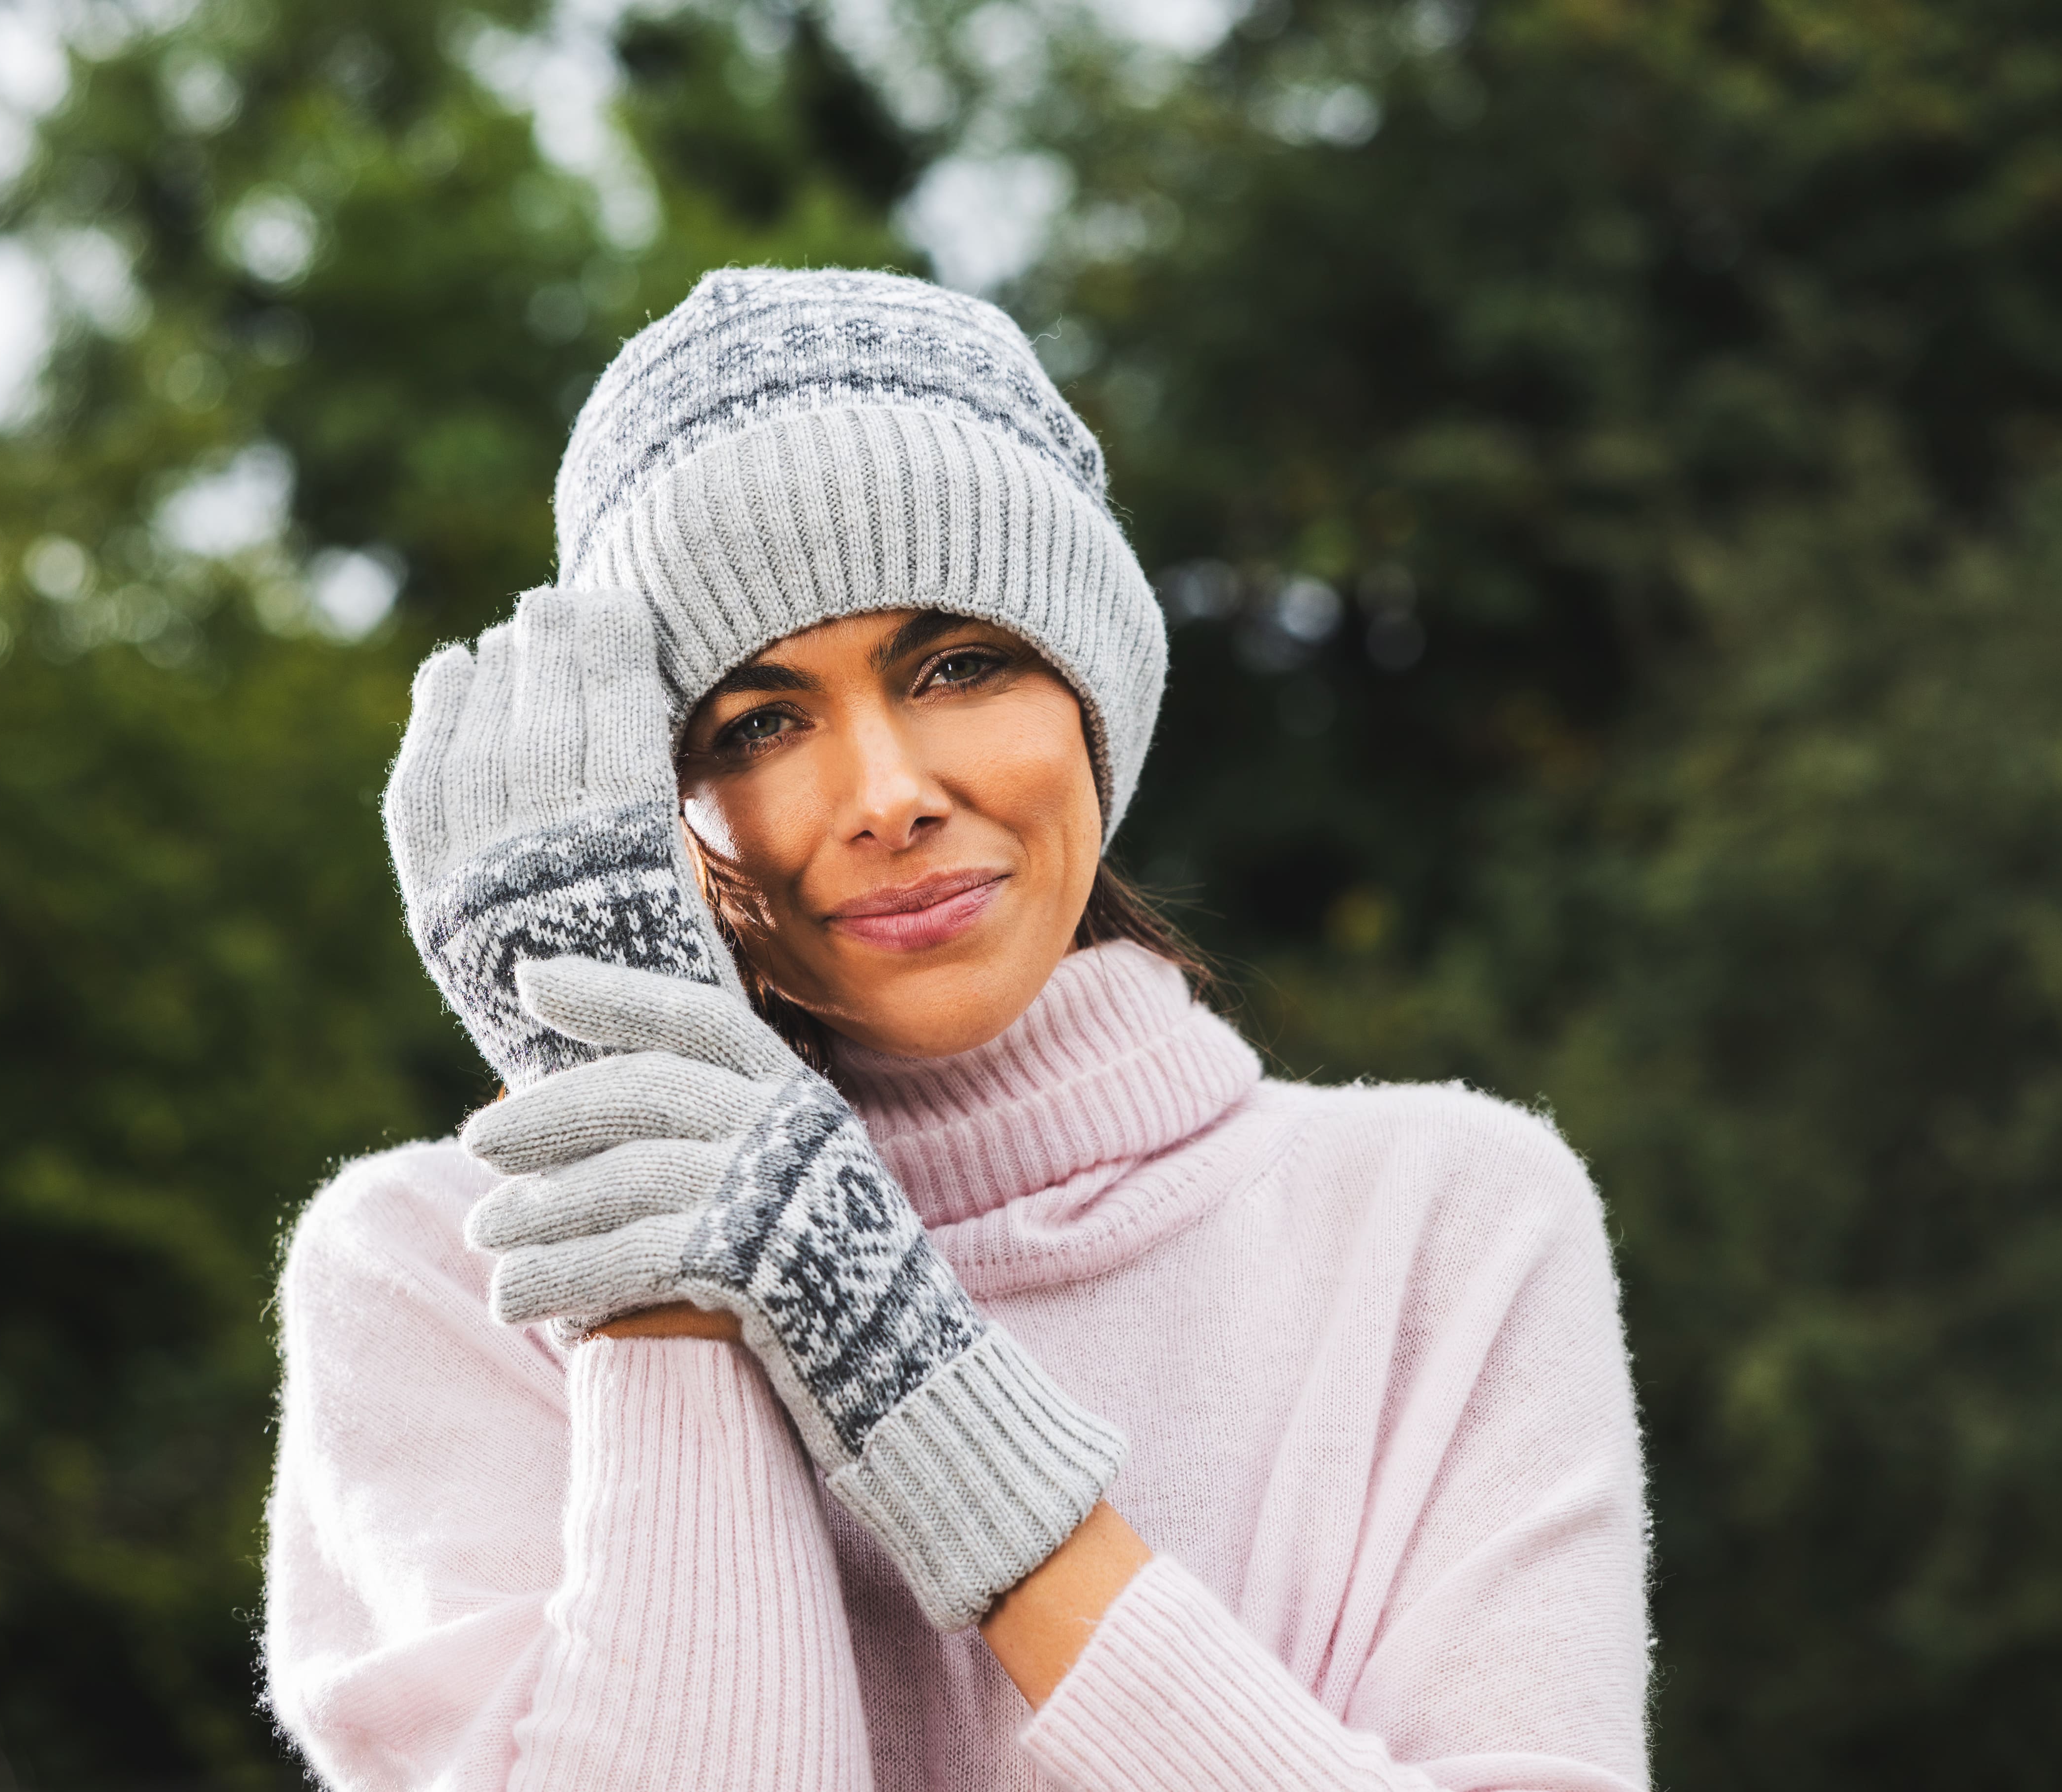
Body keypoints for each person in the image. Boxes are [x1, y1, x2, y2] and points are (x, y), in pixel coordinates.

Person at [261, 269, 1649, 1791]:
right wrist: (656, 1251)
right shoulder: (450, 1272)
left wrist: (901, 1370)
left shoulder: (1444, 1221)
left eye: (961, 665)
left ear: (1093, 699)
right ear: (668, 809)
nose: (886, 793)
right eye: (758, 725)